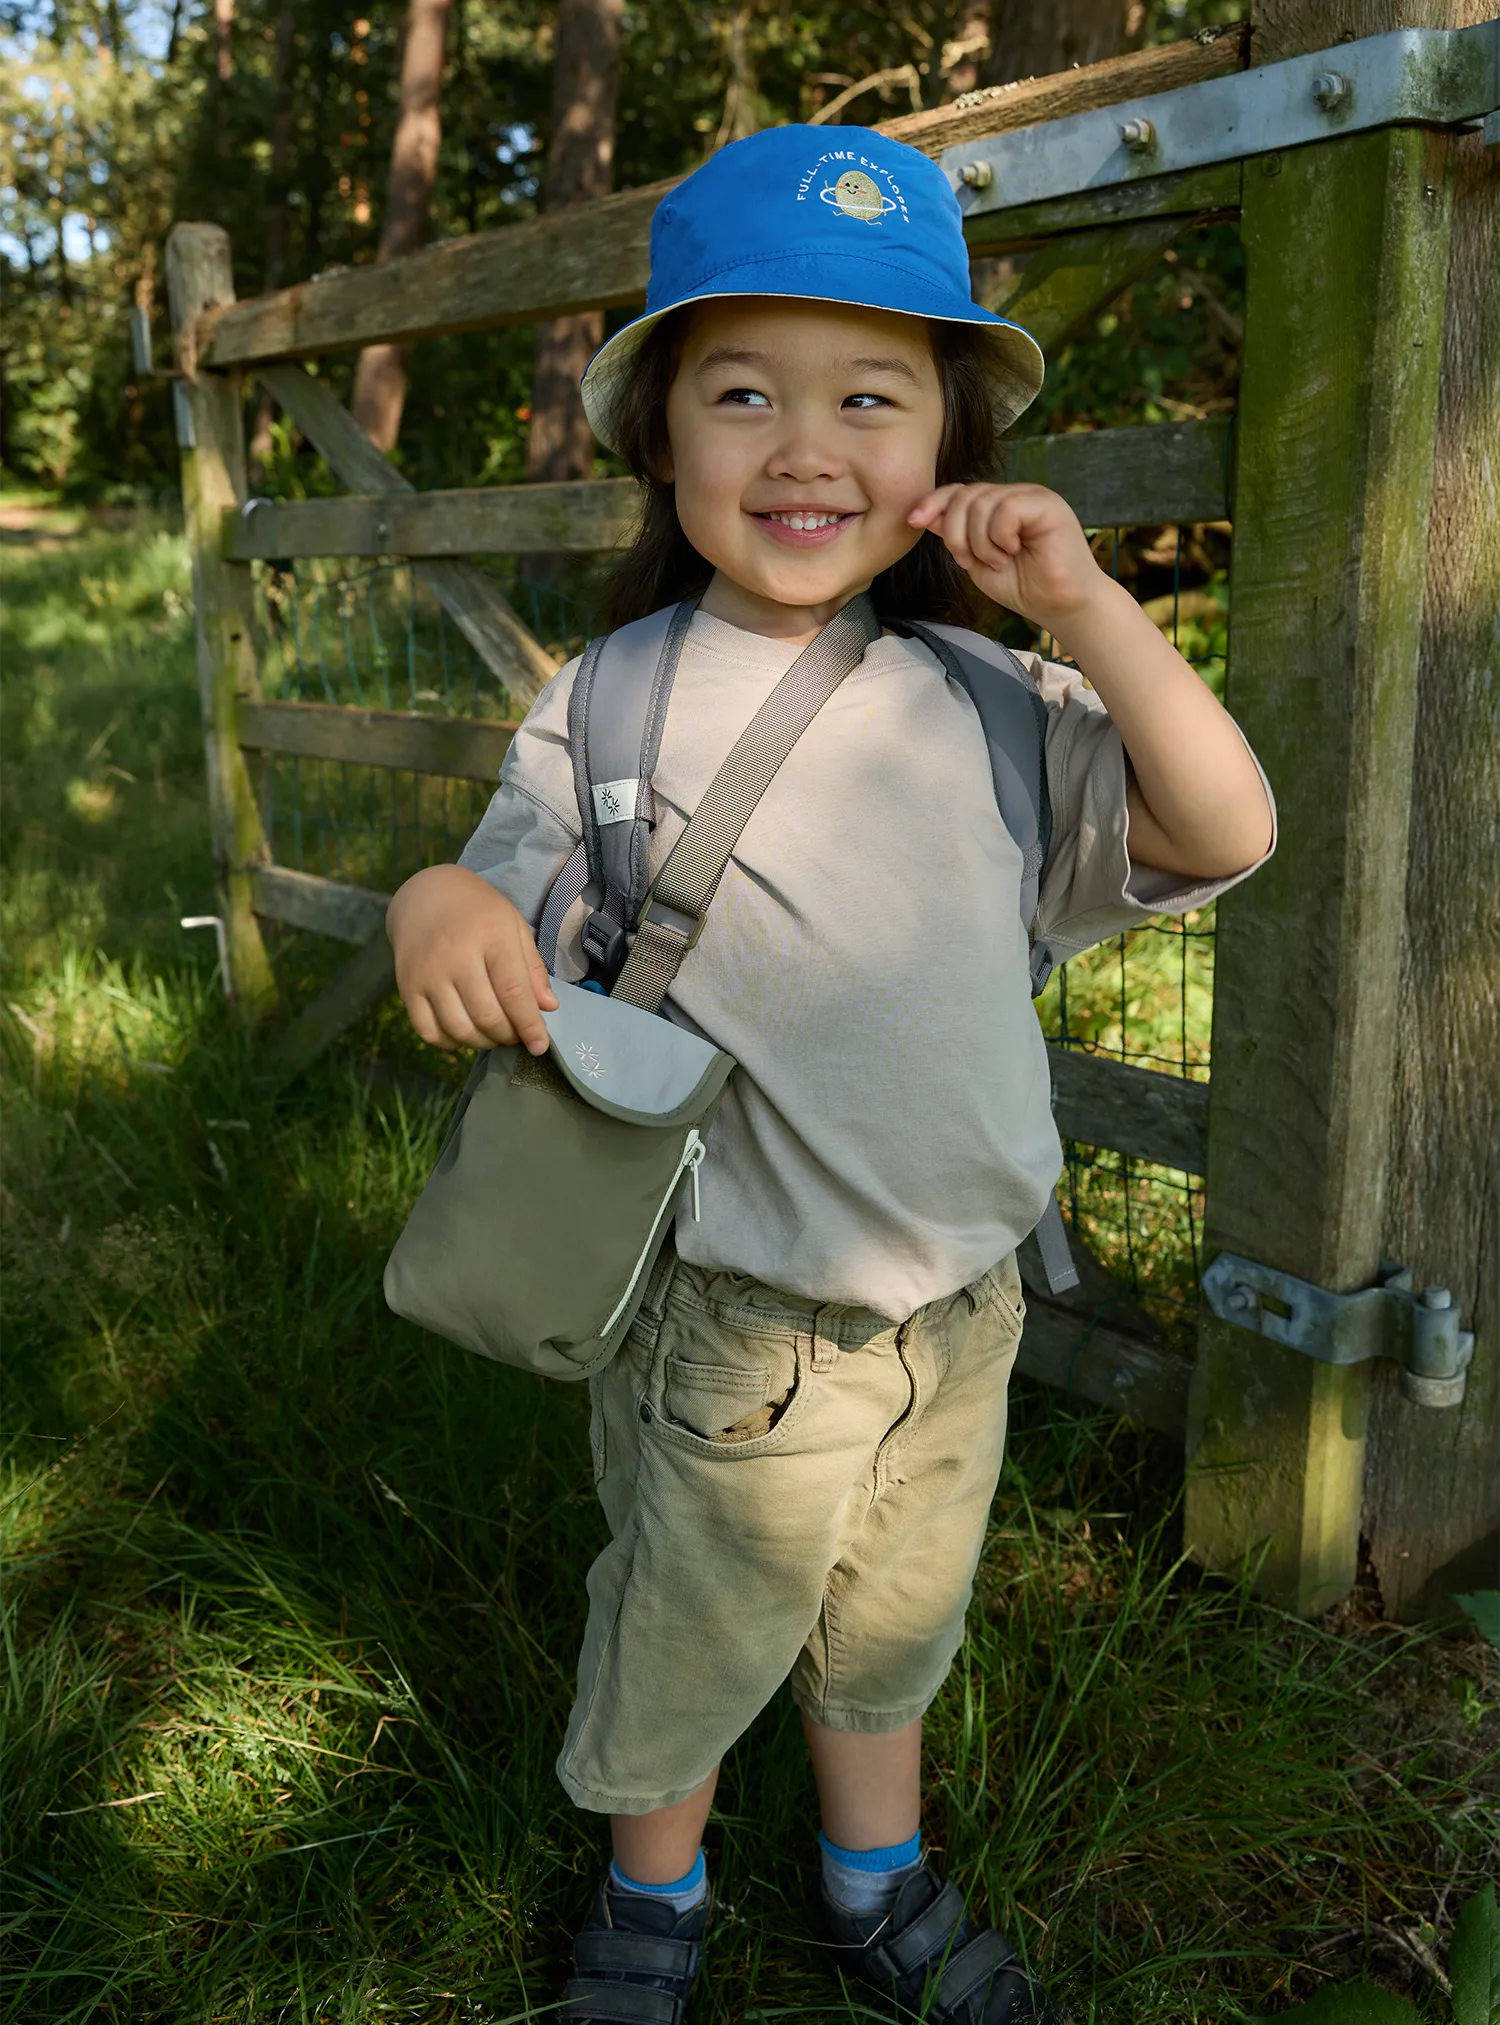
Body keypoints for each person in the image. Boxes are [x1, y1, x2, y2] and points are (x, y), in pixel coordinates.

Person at [385, 124, 1275, 2025]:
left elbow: (1226, 821)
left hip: (961, 1312)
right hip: (737, 1320)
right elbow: (499, 871)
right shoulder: (613, 692)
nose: (805, 445)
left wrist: (1091, 613)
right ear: (666, 440)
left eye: (870, 396)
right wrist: (431, 904)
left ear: (946, 447)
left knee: (893, 1630)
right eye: (744, 393)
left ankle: (875, 1878)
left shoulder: (993, 705)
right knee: (692, 1635)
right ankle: (657, 1900)